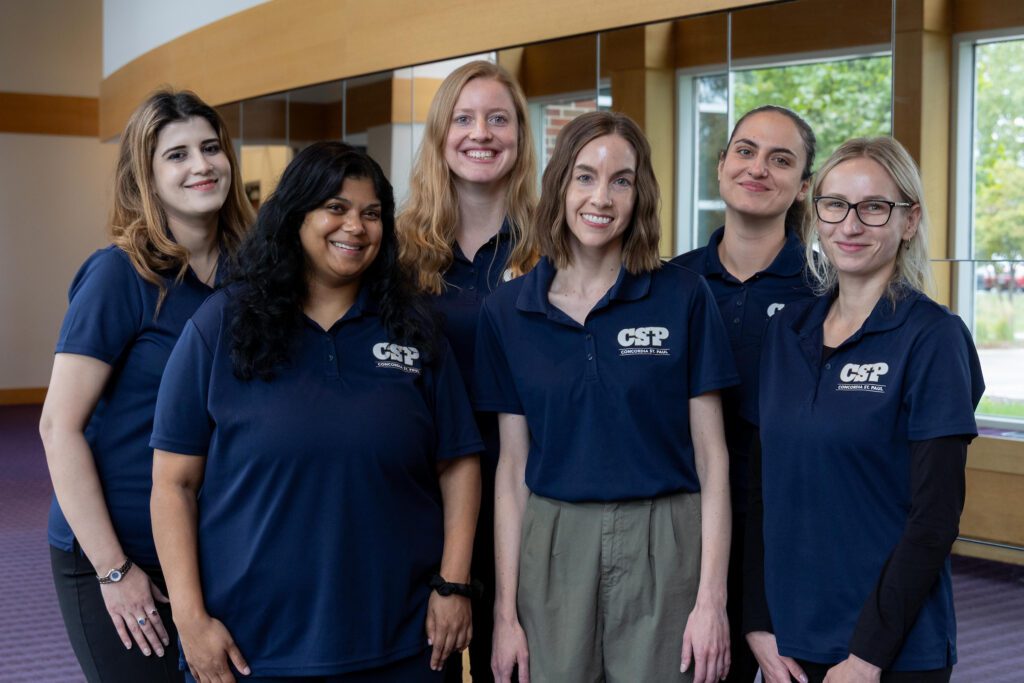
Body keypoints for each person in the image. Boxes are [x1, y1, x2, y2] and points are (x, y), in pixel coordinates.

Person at [149, 142, 482, 682]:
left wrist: (454, 584)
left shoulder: (414, 329)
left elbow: (458, 463)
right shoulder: (220, 327)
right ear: (296, 216)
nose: (355, 226)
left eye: (371, 213)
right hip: (255, 649)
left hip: (401, 643)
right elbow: (172, 485)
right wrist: (190, 620)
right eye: (336, 207)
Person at [475, 111, 737, 683]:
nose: (602, 196)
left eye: (621, 179)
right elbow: (512, 467)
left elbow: (713, 458)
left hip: (664, 538)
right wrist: (504, 613)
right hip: (553, 540)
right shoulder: (506, 311)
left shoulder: (684, 295)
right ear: (560, 186)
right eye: (585, 176)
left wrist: (711, 600)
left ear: (639, 194)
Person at [744, 137, 984, 683]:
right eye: (835, 205)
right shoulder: (787, 332)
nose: (850, 225)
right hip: (791, 642)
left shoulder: (933, 338)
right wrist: (758, 620)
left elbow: (935, 517)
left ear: (908, 221)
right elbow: (762, 488)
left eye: (874, 207)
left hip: (891, 650)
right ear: (817, 215)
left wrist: (867, 656)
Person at [38, 89, 253, 683]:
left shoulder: (254, 275)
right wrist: (113, 570)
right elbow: (58, 426)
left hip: (208, 546)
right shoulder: (120, 275)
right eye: (177, 155)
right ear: (147, 179)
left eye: (211, 148)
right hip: (115, 549)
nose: (201, 165)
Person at [397, 59, 538, 683]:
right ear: (440, 133)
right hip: (423, 492)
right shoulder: (395, 248)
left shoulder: (558, 245)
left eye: (498, 118)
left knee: (519, 661)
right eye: (464, 118)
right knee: (424, 660)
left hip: (530, 488)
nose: (481, 133)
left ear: (521, 135)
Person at [672, 105, 817, 683]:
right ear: (721, 165)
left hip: (785, 536)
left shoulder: (823, 295)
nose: (759, 168)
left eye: (781, 160)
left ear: (804, 187)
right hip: (682, 535)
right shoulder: (668, 285)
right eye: (746, 151)